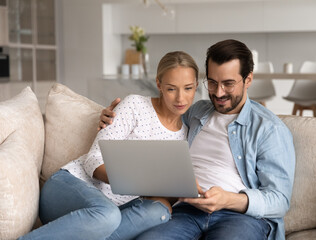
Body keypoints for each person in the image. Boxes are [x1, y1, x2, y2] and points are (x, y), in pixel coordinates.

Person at [99, 39, 296, 240]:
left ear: (248, 80)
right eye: (212, 82)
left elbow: (279, 200)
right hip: (185, 211)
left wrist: (228, 200)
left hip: (238, 217)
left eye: (228, 84)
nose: (218, 93)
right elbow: (158, 117)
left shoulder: (269, 129)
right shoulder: (196, 111)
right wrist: (110, 116)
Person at [18, 51, 199, 240]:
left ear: (196, 87)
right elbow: (93, 161)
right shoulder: (135, 106)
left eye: (188, 88)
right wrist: (136, 182)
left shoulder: (186, 135)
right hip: (70, 187)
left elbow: (165, 194)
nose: (180, 98)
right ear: (159, 85)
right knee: (107, 215)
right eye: (172, 89)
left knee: (159, 212)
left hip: (115, 211)